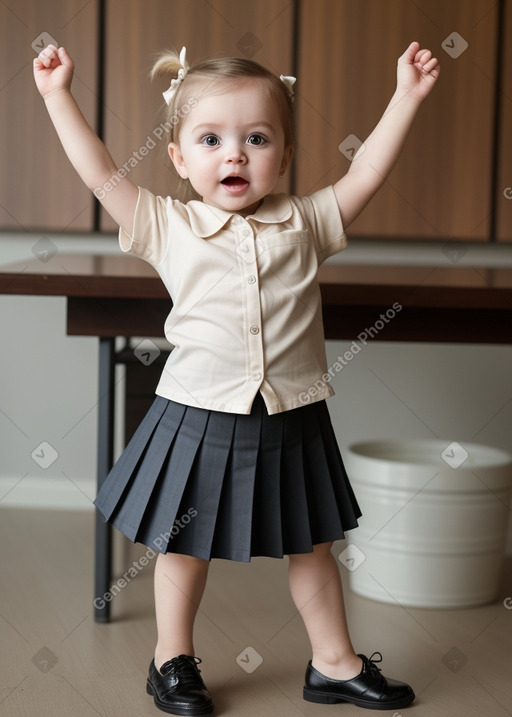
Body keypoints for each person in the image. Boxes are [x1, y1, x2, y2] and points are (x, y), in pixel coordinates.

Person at [34, 38, 440, 715]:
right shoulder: (167, 225)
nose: (235, 154)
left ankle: (334, 662)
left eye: (256, 138)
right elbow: (101, 173)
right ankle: (171, 659)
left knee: (313, 542)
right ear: (179, 157)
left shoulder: (308, 221)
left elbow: (367, 170)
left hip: (292, 410)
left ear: (284, 154)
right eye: (212, 138)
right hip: (198, 412)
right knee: (183, 543)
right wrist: (57, 97)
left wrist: (407, 96)